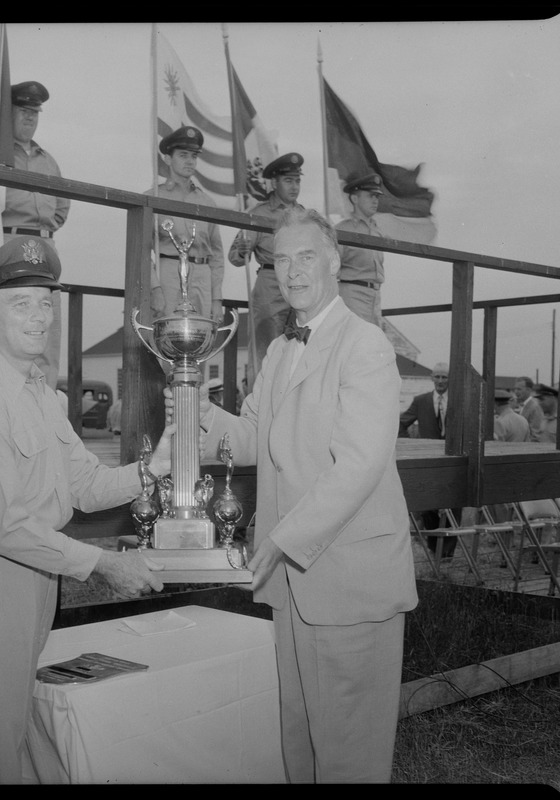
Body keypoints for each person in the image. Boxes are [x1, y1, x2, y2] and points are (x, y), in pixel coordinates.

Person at [0, 235, 173, 784]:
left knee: (13, 729)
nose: (39, 317)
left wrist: (158, 466)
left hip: (32, 576)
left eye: (46, 302)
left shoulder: (40, 394)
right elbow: (9, 528)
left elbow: (84, 485)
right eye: (21, 303)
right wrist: (107, 565)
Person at [183, 207, 418, 782]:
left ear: (335, 261)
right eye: (280, 260)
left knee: (349, 757)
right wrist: (194, 407)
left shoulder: (365, 346)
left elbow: (357, 467)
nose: (291, 272)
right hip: (292, 586)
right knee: (301, 742)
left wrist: (282, 540)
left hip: (349, 581)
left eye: (305, 257)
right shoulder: (281, 351)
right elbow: (249, 437)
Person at [0, 80, 67, 388]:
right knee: (1, 338)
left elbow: (61, 209)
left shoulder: (49, 161)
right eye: (23, 111)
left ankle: (44, 413)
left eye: (35, 112)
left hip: (43, 250)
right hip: (3, 248)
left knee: (43, 334)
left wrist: (42, 232)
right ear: (9, 115)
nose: (30, 117)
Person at [227, 152, 305, 372]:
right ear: (274, 182)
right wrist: (243, 251)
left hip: (300, 287)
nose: (294, 187)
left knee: (297, 354)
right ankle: (257, 405)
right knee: (265, 354)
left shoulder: (304, 216)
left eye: (297, 181)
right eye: (288, 181)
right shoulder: (260, 213)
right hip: (271, 285)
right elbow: (235, 256)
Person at [145, 125, 225, 321]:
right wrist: (155, 288)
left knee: (202, 336)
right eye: (183, 155)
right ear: (167, 159)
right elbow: (142, 252)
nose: (190, 161)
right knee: (167, 335)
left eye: (193, 156)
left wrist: (216, 298)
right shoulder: (152, 198)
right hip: (169, 274)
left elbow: (216, 254)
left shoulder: (206, 202)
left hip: (202, 277)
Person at [399, 363, 459, 557]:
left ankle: (448, 552)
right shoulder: (421, 401)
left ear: (450, 379)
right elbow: (401, 423)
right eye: (438, 377)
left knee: (454, 503)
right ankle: (434, 549)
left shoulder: (459, 401)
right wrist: (412, 446)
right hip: (429, 459)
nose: (441, 381)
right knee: (428, 506)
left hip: (453, 460)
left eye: (445, 377)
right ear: (432, 378)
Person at [334, 173, 387, 327]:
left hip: (375, 296)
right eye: (370, 196)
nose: (375, 200)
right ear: (355, 199)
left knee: (371, 345)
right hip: (352, 294)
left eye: (377, 196)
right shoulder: (343, 230)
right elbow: (331, 270)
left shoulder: (377, 231)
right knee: (353, 343)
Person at [514, 376, 544, 441]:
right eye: (515, 389)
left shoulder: (535, 407)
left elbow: (535, 435)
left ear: (529, 390)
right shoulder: (520, 405)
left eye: (519, 389)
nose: (516, 392)